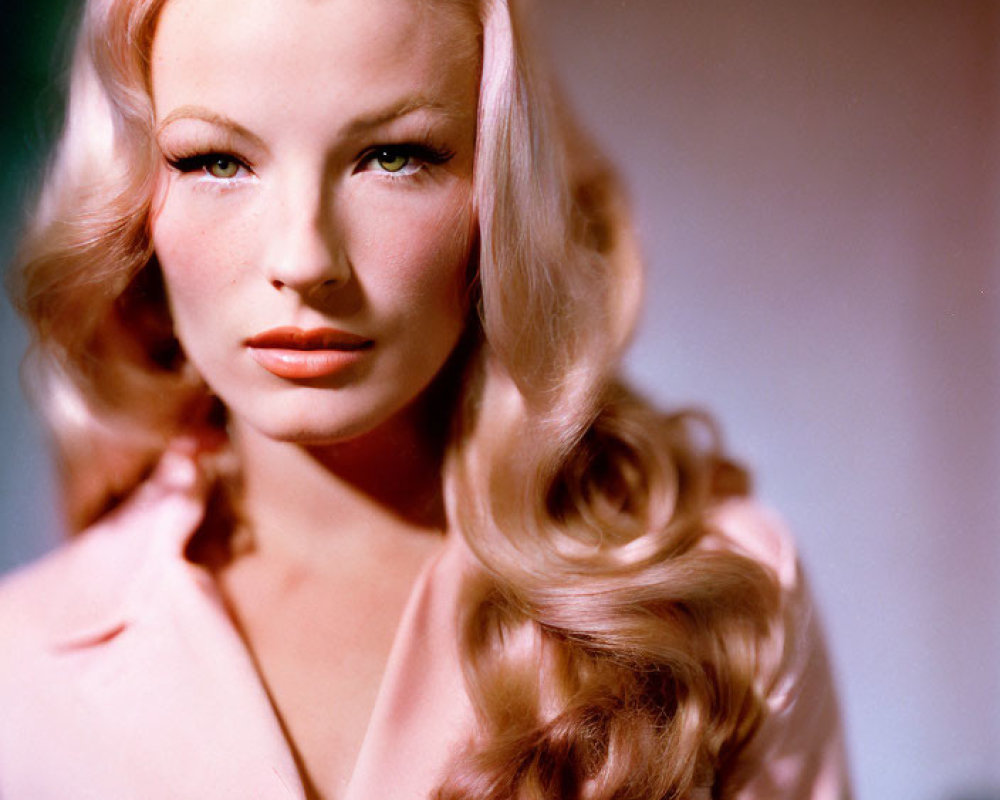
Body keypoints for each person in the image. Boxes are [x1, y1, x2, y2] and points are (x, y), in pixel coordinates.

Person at [0, 0, 851, 797]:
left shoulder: (719, 601)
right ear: (131, 205)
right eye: (215, 161)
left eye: (394, 156)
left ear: (497, 195)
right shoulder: (19, 667)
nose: (305, 259)